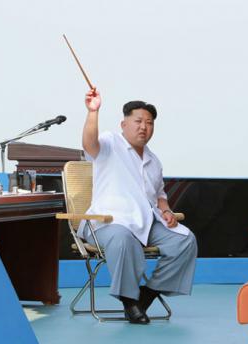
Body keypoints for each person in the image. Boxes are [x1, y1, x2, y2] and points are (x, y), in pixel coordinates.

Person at [79, 87, 198, 324]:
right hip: (107, 222)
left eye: (149, 123)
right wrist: (93, 112)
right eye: (138, 121)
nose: (144, 127)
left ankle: (148, 294)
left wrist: (166, 210)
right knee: (123, 238)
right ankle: (129, 301)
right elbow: (89, 142)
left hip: (146, 220)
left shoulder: (154, 161)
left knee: (185, 240)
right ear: (124, 124)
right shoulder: (110, 144)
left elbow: (159, 195)